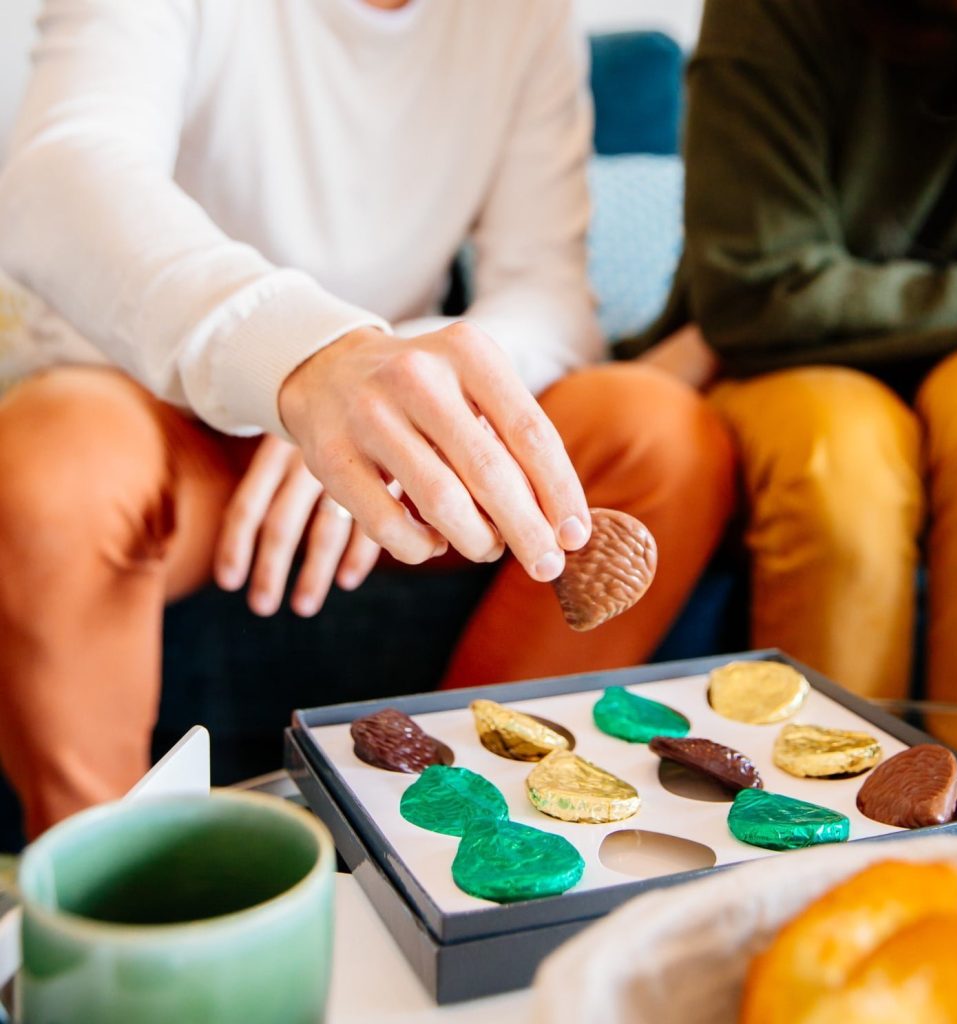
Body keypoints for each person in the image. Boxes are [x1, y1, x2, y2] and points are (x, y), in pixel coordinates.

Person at [0, 0, 735, 837]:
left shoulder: (526, 15)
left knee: (659, 432)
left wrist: (398, 385)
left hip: (393, 450)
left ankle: (470, 850)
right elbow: (61, 172)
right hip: (156, 421)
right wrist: (300, 364)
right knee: (52, 467)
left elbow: (550, 295)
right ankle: (106, 917)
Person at [646, 0, 957, 780]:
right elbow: (760, 292)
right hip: (773, 360)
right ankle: (819, 826)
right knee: (840, 469)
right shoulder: (771, 15)